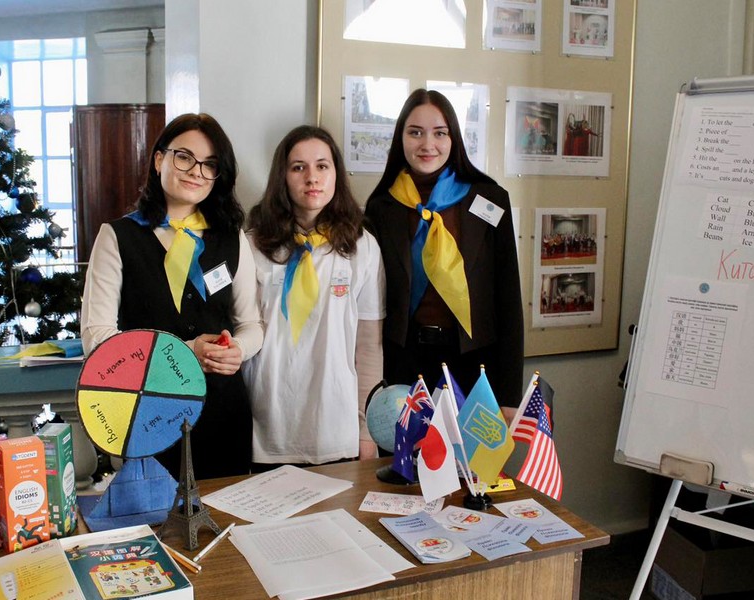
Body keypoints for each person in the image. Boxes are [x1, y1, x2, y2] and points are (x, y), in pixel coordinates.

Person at [81, 112, 263, 479]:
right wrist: (185, 351)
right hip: (148, 411)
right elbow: (97, 337)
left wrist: (238, 350)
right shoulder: (117, 237)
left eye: (210, 164)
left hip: (222, 411)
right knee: (156, 511)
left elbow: (251, 324)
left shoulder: (232, 238)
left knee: (226, 508)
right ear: (159, 159)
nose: (197, 171)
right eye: (184, 157)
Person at [365, 89, 524, 417]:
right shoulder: (382, 207)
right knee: (409, 450)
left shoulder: (490, 200)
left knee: (469, 452)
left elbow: (509, 301)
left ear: (454, 139)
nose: (428, 144)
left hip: (475, 363)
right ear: (400, 138)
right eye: (415, 133)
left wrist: (509, 394)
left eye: (440, 133)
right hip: (404, 364)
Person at [244, 125, 385, 468]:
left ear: (336, 173)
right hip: (267, 428)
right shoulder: (251, 245)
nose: (312, 178)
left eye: (322, 166)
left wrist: (366, 429)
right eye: (298, 167)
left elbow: (368, 347)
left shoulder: (362, 246)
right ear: (282, 176)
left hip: (335, 429)